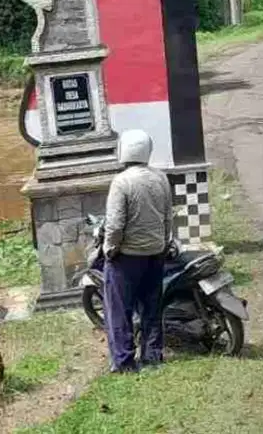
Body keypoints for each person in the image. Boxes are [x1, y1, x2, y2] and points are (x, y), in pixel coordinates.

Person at [103, 129, 174, 372]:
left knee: (120, 311)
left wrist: (110, 249)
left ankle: (124, 362)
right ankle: (152, 357)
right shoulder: (160, 178)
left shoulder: (121, 182)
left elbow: (114, 224)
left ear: (123, 151)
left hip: (127, 258)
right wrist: (163, 243)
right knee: (152, 309)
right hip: (155, 254)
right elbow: (168, 217)